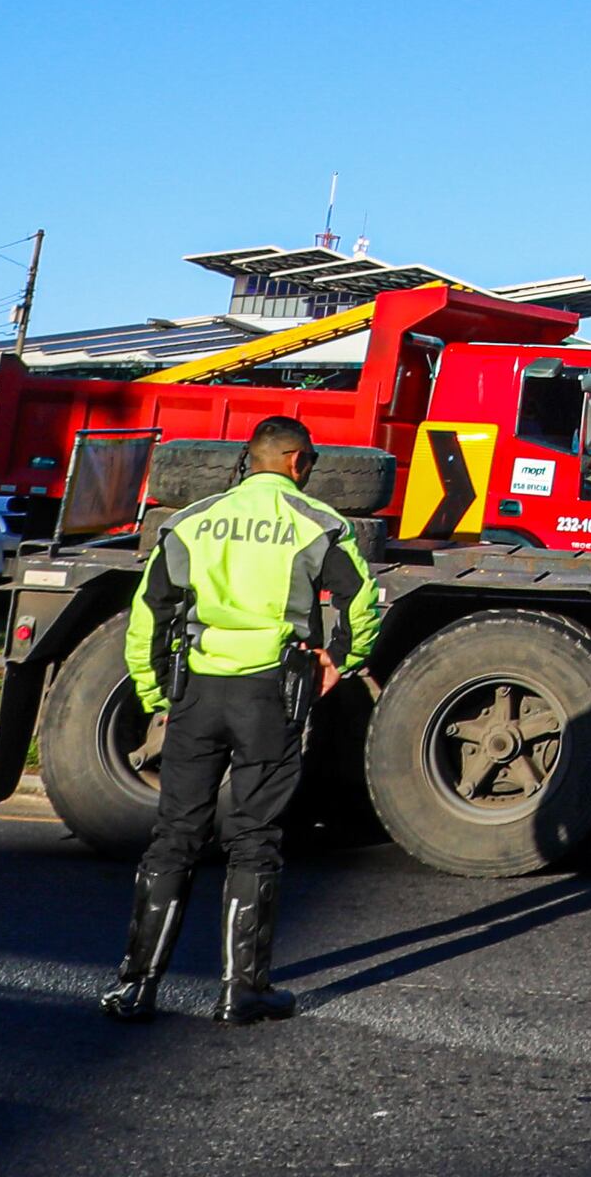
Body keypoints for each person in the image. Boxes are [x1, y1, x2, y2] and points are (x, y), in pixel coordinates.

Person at [100, 415, 382, 1028]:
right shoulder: (318, 523)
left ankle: (135, 988)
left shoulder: (190, 521)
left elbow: (148, 614)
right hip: (270, 695)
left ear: (247, 460)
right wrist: (344, 659)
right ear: (298, 462)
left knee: (175, 835)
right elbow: (361, 600)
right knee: (254, 839)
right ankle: (241, 991)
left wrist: (156, 696)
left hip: (197, 693)